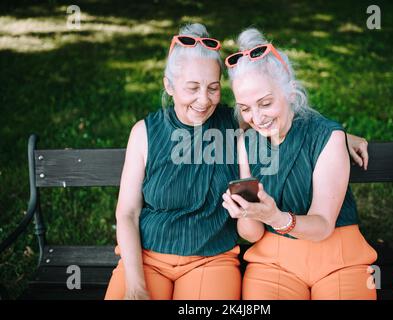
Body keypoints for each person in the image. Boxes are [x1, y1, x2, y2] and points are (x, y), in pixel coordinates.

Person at [105, 23, 370, 300]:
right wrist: (135, 287)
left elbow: (283, 115)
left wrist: (337, 135)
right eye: (192, 88)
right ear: (168, 86)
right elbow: (127, 213)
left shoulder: (232, 124)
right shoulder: (147, 132)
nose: (203, 100)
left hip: (211, 259)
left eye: (213, 88)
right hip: (147, 257)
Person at [222, 28, 377, 300]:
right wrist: (245, 214)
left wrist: (276, 218)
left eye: (265, 103)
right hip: (274, 262)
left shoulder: (327, 136)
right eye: (245, 108)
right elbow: (253, 235)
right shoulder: (247, 143)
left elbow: (323, 225)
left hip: (338, 257)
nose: (256, 118)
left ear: (291, 93)